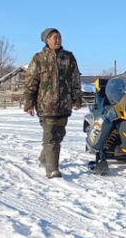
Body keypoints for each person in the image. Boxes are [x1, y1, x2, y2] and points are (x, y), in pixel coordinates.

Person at [23, 28, 83, 179]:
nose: (58, 39)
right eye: (54, 37)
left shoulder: (68, 57)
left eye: (59, 37)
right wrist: (29, 103)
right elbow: (31, 82)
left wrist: (77, 98)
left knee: (59, 134)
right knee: (50, 136)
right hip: (45, 105)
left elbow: (75, 79)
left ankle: (45, 158)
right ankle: (52, 169)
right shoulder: (39, 58)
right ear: (47, 40)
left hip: (64, 104)